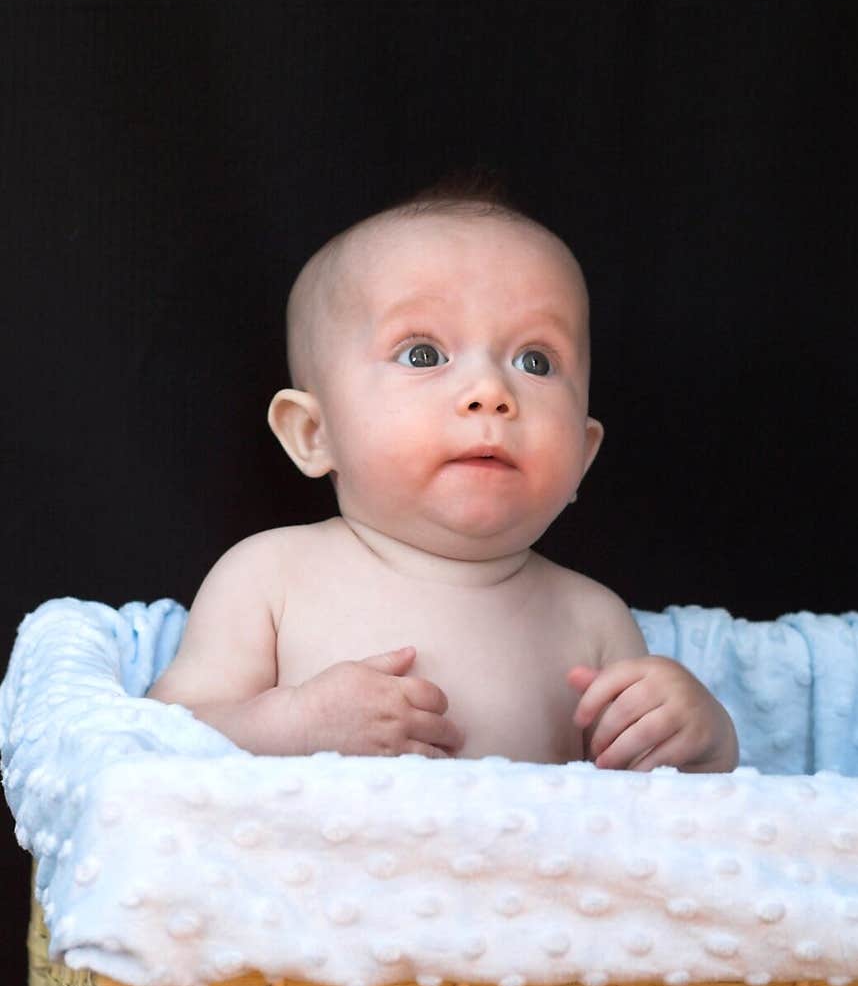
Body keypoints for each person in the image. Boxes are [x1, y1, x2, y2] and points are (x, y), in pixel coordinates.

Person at [146, 176, 738, 772]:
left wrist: (698, 741)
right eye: (423, 354)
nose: (491, 392)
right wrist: (297, 723)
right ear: (313, 433)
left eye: (535, 361)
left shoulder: (593, 620)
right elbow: (161, 737)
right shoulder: (269, 577)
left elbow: (654, 819)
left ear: (582, 455)